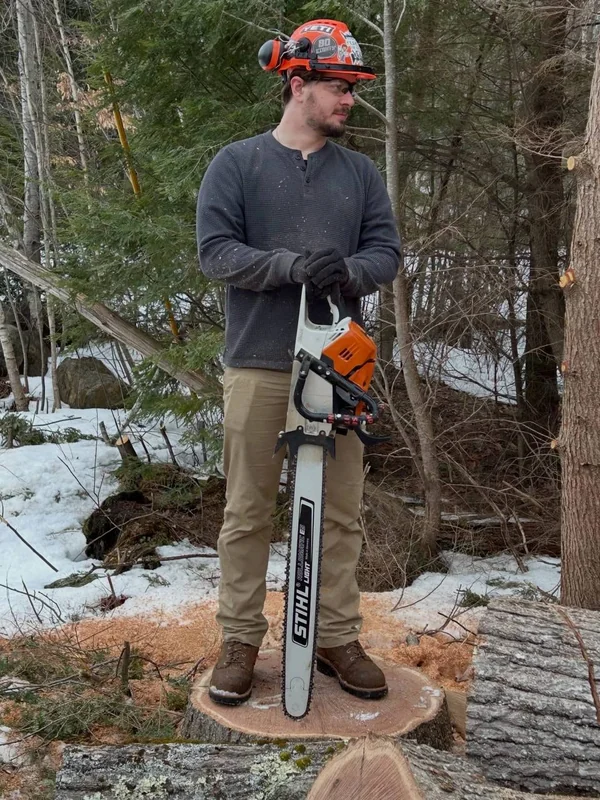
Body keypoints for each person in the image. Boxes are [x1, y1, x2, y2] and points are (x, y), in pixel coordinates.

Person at [196, 18, 401, 707]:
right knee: (248, 507)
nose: (348, 101)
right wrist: (287, 265)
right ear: (297, 83)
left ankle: (337, 636)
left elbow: (387, 253)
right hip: (258, 360)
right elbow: (216, 252)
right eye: (337, 88)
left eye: (351, 89)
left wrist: (345, 270)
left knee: (340, 511)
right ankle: (239, 640)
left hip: (339, 364)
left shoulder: (360, 173)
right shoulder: (238, 164)